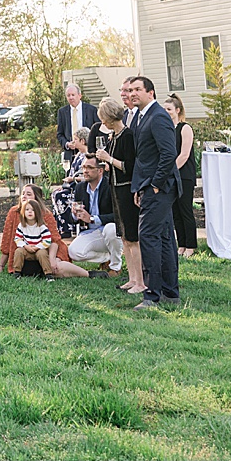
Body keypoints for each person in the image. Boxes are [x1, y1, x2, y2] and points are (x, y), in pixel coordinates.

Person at [126, 75, 180, 309]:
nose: (133, 93)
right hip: (148, 185)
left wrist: (155, 184)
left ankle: (152, 296)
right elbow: (144, 157)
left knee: (148, 237)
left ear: (151, 93)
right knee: (165, 238)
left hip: (162, 186)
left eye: (138, 89)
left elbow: (169, 154)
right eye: (130, 90)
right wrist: (139, 187)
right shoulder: (140, 116)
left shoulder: (158, 116)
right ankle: (170, 293)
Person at [93, 97, 145, 296]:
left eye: (104, 119)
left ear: (111, 117)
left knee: (132, 237)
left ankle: (140, 280)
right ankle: (132, 278)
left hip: (126, 190)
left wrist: (109, 159)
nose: (103, 123)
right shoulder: (113, 137)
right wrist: (107, 164)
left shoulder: (127, 136)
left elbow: (130, 167)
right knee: (123, 237)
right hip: (115, 189)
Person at [0, 182, 80, 278]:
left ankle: (87, 274)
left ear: (36, 199)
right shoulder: (14, 212)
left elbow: (54, 240)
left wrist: (52, 260)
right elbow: (7, 239)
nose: (24, 196)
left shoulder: (46, 214)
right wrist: (1, 265)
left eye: (29, 194)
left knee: (56, 268)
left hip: (45, 250)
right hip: (24, 252)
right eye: (23, 193)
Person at [65, 155, 124, 277]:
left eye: (89, 167)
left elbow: (118, 215)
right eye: (84, 167)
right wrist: (75, 214)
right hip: (91, 233)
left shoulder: (109, 185)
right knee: (73, 252)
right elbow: (73, 220)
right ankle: (106, 258)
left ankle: (116, 267)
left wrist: (92, 219)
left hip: (109, 230)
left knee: (111, 229)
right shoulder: (80, 187)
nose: (85, 171)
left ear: (100, 170)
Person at [167, 95, 199, 257]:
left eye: (169, 109)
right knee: (175, 211)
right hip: (171, 175)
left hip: (184, 174)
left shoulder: (185, 128)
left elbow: (184, 154)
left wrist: (170, 171)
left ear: (177, 110)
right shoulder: (166, 129)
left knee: (185, 210)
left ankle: (191, 245)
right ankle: (182, 244)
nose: (166, 112)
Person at [57, 83, 100, 171]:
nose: (71, 97)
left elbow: (98, 130)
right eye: (68, 95)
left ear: (80, 95)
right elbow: (60, 134)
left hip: (88, 151)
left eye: (73, 95)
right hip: (70, 153)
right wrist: (67, 144)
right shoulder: (62, 112)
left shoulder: (91, 110)